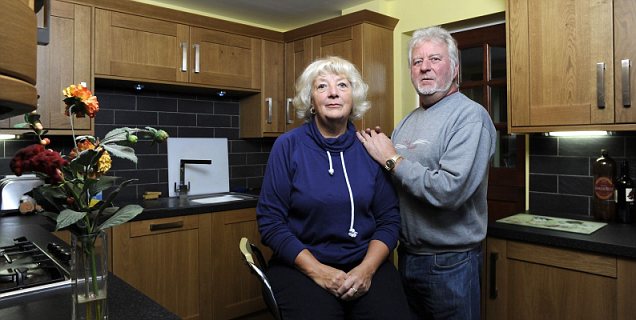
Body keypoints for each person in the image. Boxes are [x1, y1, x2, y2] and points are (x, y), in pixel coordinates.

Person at [357, 26, 497, 319]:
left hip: (451, 264)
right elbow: (393, 182)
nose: (424, 68)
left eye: (435, 59)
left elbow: (449, 190)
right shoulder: (407, 121)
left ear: (455, 68)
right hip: (407, 256)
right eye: (417, 62)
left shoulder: (470, 117)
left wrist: (392, 159)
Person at [256, 56, 410, 320]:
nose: (333, 93)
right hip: (300, 267)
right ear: (312, 101)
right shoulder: (288, 146)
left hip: (365, 262)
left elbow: (388, 220)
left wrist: (367, 270)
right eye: (322, 87)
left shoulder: (371, 148)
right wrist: (319, 272)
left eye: (342, 85)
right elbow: (270, 223)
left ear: (353, 99)